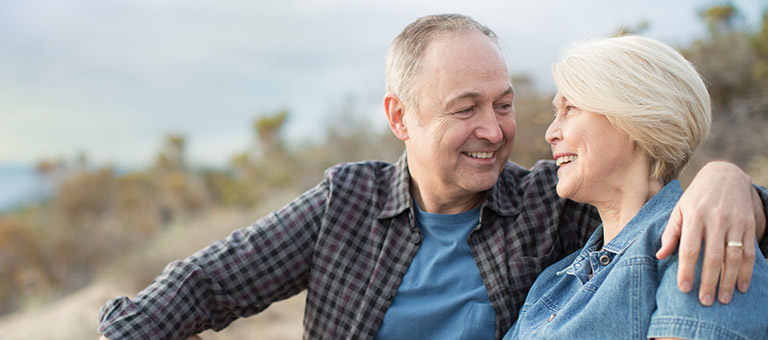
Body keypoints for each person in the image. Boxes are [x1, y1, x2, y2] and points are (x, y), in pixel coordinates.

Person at [98, 15, 768, 340]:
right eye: (465, 109)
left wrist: (731, 183)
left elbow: (667, 215)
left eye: (504, 104)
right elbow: (210, 283)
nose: (499, 130)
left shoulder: (548, 203)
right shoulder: (347, 205)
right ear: (400, 117)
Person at [504, 36, 768, 340]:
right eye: (555, 114)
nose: (551, 133)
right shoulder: (554, 281)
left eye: (570, 108)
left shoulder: (703, 239)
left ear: (632, 120)